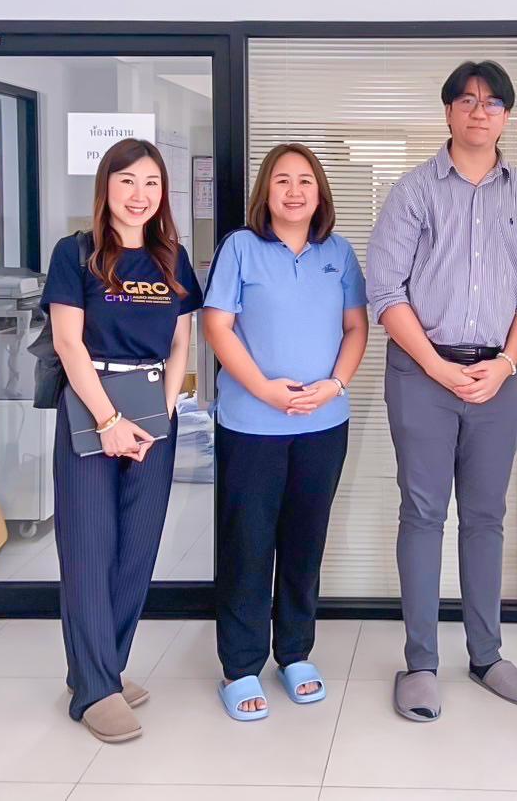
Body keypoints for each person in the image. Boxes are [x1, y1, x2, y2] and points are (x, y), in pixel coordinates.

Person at [367, 59, 517, 722]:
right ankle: (420, 663)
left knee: (486, 517)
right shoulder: (413, 192)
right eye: (467, 100)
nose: (480, 111)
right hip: (423, 375)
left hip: (498, 377)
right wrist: (437, 367)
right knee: (423, 514)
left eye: (492, 102)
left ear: (506, 116)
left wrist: (505, 362)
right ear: (448, 111)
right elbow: (384, 291)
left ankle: (486, 656)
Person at [42, 137, 201, 743]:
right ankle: (94, 690)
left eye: (151, 183)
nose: (140, 195)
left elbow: (182, 342)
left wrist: (162, 414)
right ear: (106, 187)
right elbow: (68, 342)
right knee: (89, 549)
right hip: (92, 409)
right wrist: (109, 422)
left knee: (136, 550)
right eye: (128, 181)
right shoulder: (76, 254)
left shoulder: (171, 258)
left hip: (152, 412)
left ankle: (100, 670)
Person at [202, 143, 368, 721]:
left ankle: (294, 652)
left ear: (320, 192)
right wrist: (264, 389)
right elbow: (217, 326)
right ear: (265, 192)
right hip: (252, 424)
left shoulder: (338, 253)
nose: (294, 191)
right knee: (248, 544)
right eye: (282, 181)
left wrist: (336, 385)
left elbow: (356, 327)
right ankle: (241, 665)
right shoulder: (240, 249)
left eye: (305, 181)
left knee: (304, 542)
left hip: (323, 425)